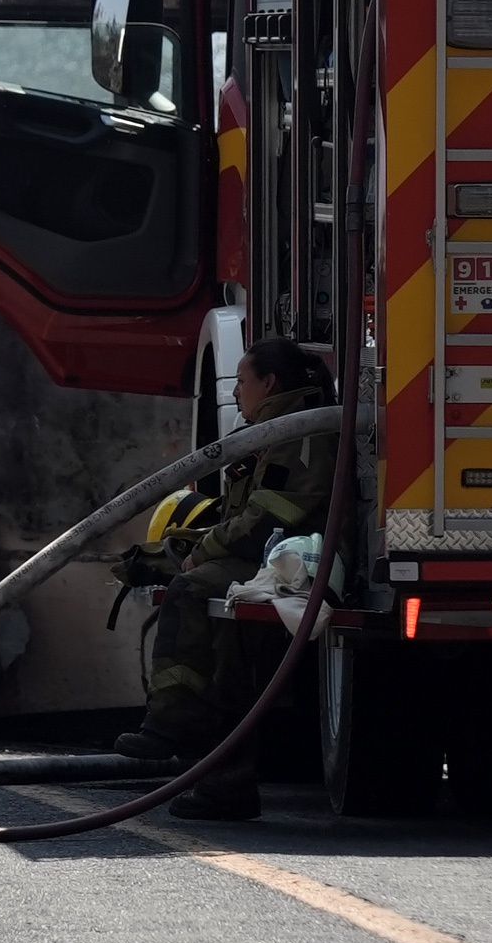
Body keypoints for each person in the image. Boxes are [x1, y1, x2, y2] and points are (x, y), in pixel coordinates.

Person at [113, 337, 339, 819]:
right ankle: (221, 781)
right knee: (225, 657)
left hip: (282, 558)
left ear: (269, 383)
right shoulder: (275, 430)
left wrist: (202, 552)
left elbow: (269, 518)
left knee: (189, 592)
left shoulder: (296, 435)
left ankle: (171, 725)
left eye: (241, 381)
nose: (236, 392)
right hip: (270, 556)